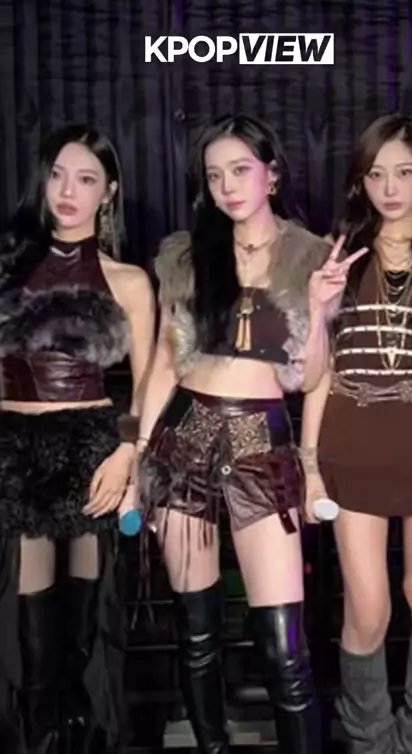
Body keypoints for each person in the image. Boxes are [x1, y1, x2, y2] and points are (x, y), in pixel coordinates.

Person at [136, 113, 366, 754]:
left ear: (272, 173)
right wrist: (139, 460)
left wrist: (316, 309)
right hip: (184, 434)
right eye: (214, 176)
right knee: (196, 633)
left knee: (284, 646)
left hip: (259, 440)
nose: (228, 187)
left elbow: (311, 378)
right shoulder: (187, 256)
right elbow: (163, 363)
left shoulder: (312, 256)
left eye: (240, 170)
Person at [301, 113, 412, 753]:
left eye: (404, 172)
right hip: (352, 436)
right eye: (376, 174)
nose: (390, 187)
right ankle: (372, 740)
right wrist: (310, 466)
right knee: (369, 605)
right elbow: (314, 376)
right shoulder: (335, 255)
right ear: (361, 180)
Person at [0, 125, 156, 753]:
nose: (68, 190)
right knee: (28, 637)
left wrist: (128, 455)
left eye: (86, 178)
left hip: (95, 453)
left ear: (108, 192)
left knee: (91, 629)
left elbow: (148, 384)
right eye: (58, 175)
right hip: (16, 455)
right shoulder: (7, 268)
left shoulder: (130, 280)